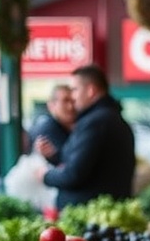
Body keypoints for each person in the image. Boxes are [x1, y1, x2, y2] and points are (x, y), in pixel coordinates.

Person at [41, 65, 136, 210]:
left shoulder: (94, 123)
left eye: (74, 90)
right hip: (105, 211)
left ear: (90, 90)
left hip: (91, 217)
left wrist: (45, 176)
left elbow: (74, 174)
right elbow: (93, 166)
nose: (72, 97)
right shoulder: (112, 118)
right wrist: (55, 157)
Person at [30, 84, 76, 165]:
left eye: (73, 101)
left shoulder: (72, 126)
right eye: (65, 101)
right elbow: (71, 162)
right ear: (51, 105)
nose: (71, 106)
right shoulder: (48, 127)